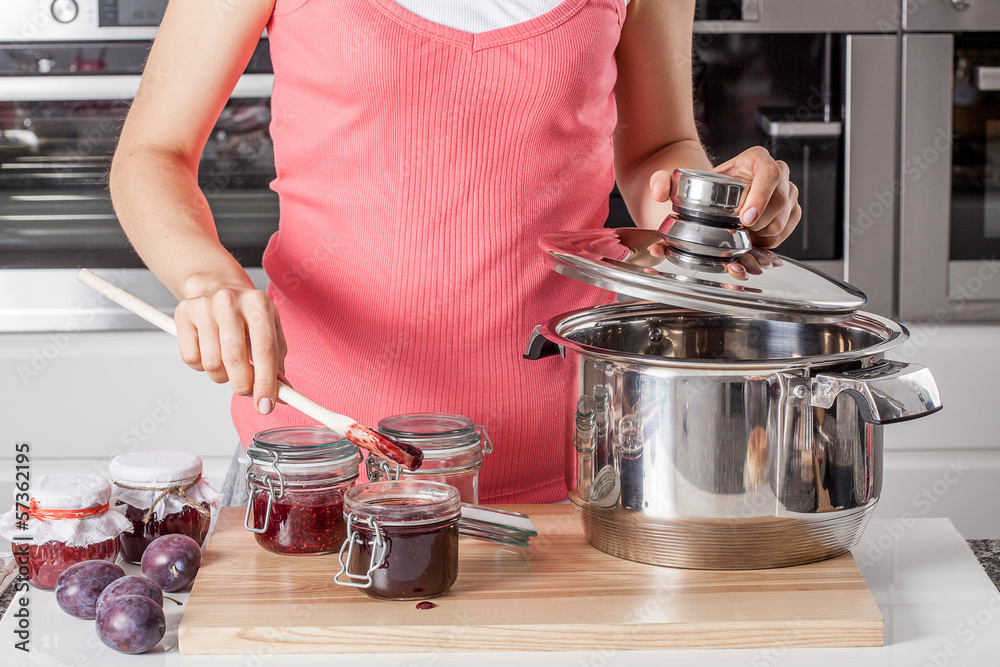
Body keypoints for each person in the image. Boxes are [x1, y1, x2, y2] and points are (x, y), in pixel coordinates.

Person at [109, 0, 801, 504]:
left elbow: (656, 149)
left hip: (575, 463)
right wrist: (208, 279)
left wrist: (718, 211)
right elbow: (152, 154)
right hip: (319, 468)